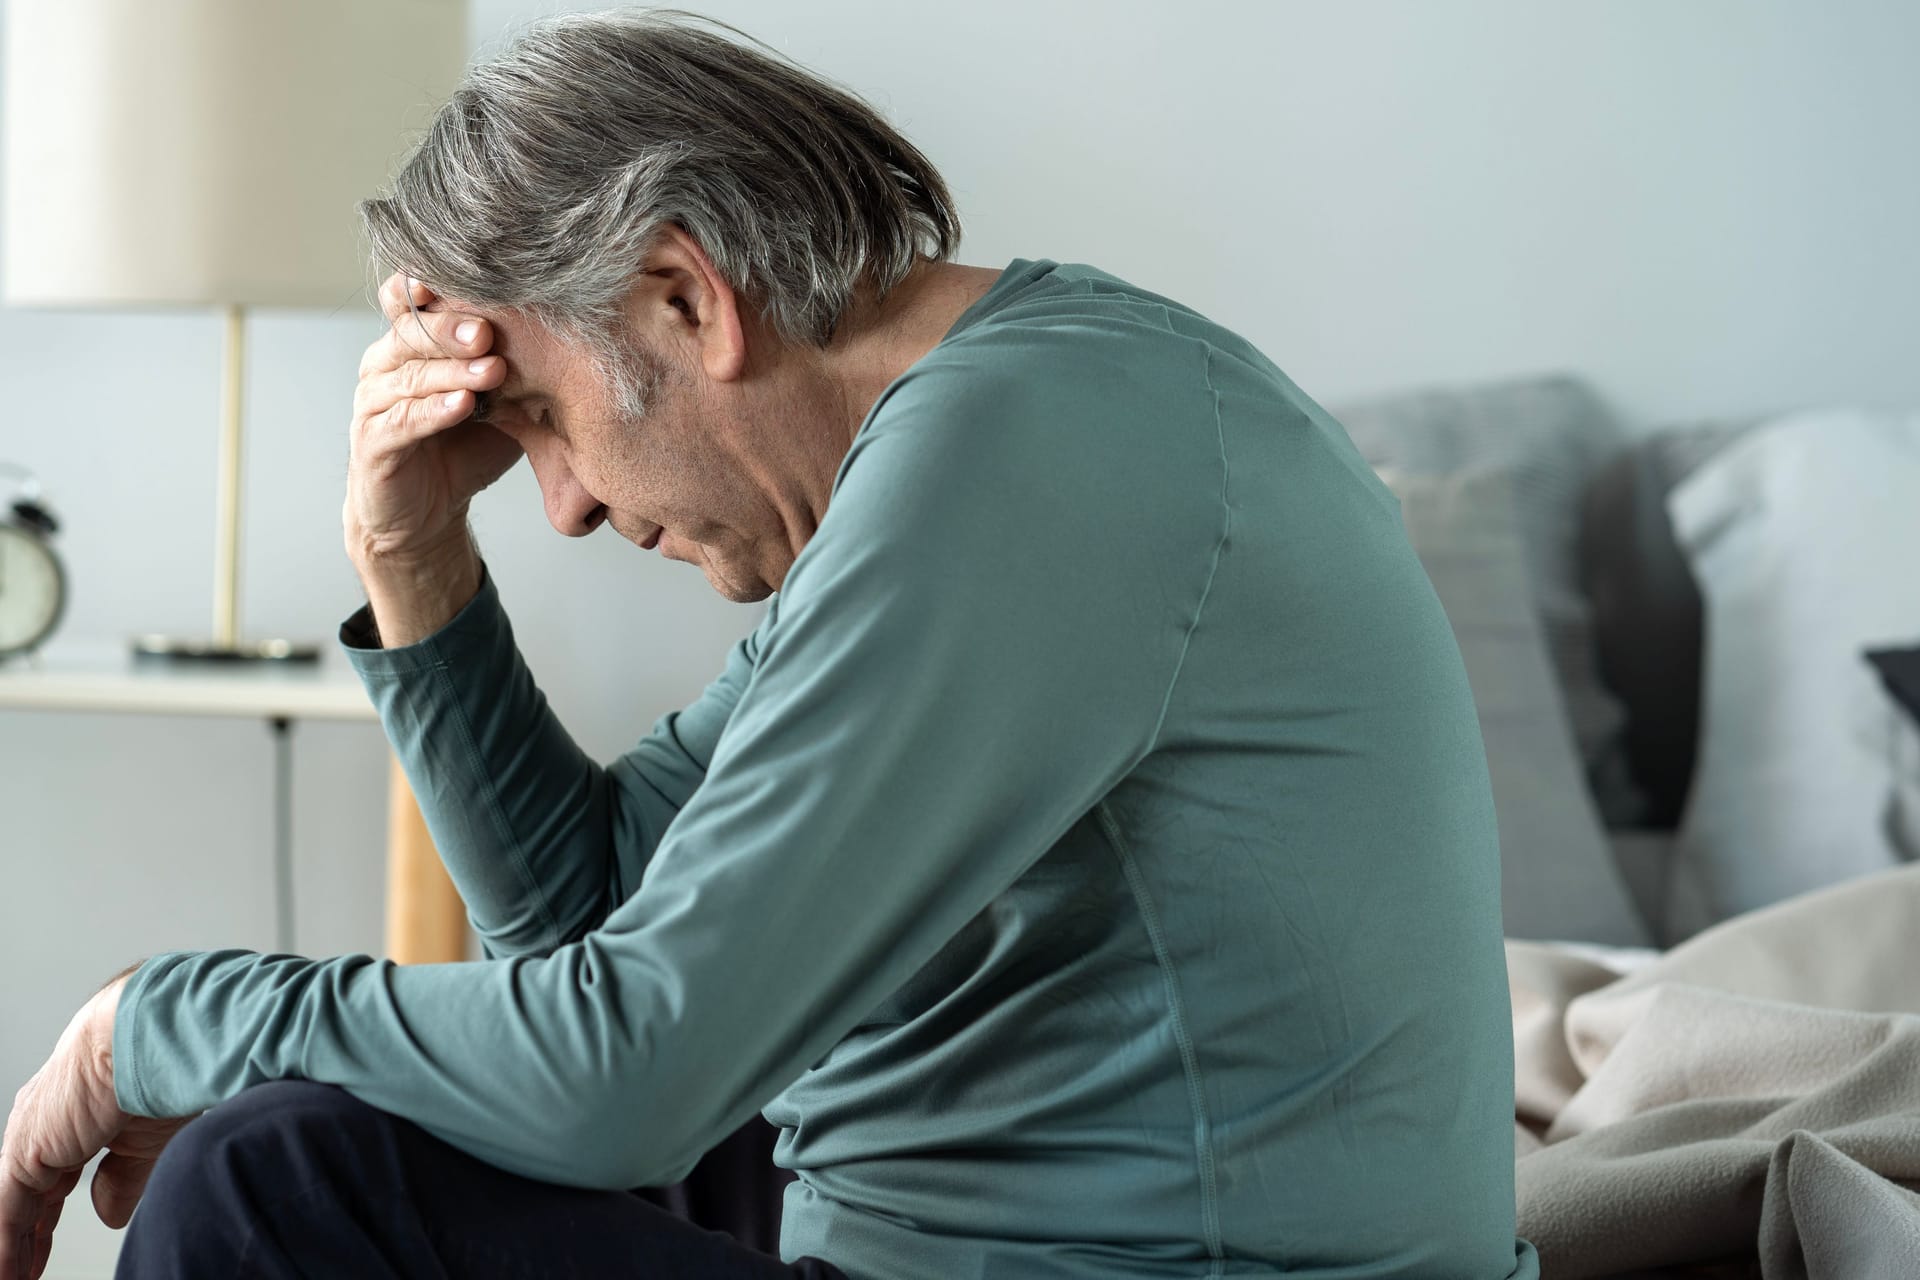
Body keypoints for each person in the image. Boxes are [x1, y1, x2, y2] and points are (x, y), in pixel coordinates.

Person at [0, 9, 1540, 1279]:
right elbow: (592, 923)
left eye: (541, 419)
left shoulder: (1025, 459)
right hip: (938, 1230)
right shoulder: (973, 447)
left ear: (682, 295)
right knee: (355, 1107)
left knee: (279, 1183)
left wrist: (160, 1020)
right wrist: (411, 557)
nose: (566, 510)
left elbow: (627, 1078)